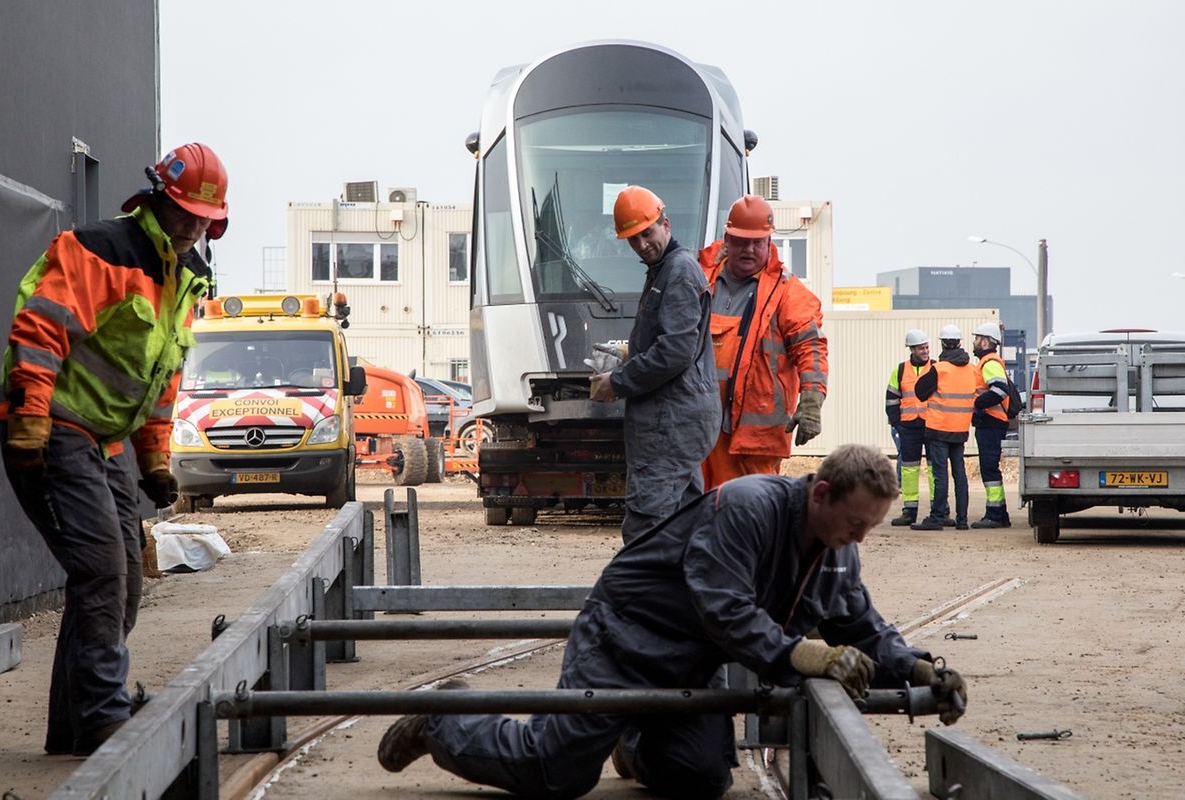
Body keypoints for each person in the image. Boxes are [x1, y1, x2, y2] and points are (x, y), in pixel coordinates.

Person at [375, 444, 967, 799]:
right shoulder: (747, 508)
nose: (859, 539)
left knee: (702, 779)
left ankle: (634, 741)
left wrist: (915, 666)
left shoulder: (836, 546)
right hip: (624, 642)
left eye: (869, 528)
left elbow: (858, 620)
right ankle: (445, 721)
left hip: (686, 665)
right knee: (556, 774)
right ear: (822, 494)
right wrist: (799, 655)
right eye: (857, 524)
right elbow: (723, 608)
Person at [0, 143, 227, 755]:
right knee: (99, 570)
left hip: (107, 441)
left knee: (122, 579)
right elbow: (39, 328)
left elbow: (160, 378)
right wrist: (28, 416)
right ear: (157, 199)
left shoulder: (183, 282)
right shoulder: (100, 249)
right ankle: (101, 716)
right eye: (184, 213)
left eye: (204, 220)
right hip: (56, 427)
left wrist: (153, 454)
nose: (192, 228)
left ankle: (74, 725)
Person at [587, 186, 719, 543]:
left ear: (666, 224)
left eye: (647, 233)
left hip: (670, 421)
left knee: (648, 527)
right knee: (684, 521)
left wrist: (618, 381)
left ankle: (646, 596)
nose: (642, 244)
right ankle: (683, 594)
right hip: (678, 418)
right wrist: (632, 354)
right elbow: (673, 340)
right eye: (633, 239)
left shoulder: (677, 272)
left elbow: (676, 350)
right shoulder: (665, 270)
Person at [697, 195, 828, 490]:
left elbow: (811, 348)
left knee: (749, 516)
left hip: (754, 438)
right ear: (727, 239)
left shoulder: (787, 292)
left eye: (758, 242)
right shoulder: (699, 277)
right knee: (699, 514)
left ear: (770, 241)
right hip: (699, 429)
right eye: (742, 241)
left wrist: (811, 403)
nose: (750, 250)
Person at [911, 324, 974, 531]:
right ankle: (962, 520)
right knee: (959, 474)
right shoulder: (971, 368)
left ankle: (937, 517)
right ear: (959, 343)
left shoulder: (939, 369)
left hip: (939, 429)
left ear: (943, 344)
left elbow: (920, 392)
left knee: (940, 474)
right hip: (960, 429)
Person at [885, 329, 935, 526]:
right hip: (908, 427)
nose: (925, 351)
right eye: (921, 348)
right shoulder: (900, 370)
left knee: (934, 469)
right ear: (912, 349)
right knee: (908, 469)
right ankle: (909, 510)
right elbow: (891, 399)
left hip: (931, 425)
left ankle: (939, 508)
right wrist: (897, 423)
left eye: (926, 347)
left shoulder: (935, 368)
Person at [970, 322, 1012, 528]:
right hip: (991, 423)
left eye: (977, 339)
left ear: (985, 342)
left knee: (989, 468)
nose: (974, 342)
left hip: (991, 423)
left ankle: (994, 514)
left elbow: (1000, 390)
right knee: (990, 468)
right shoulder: (987, 362)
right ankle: (1000, 513)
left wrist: (978, 404)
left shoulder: (990, 363)